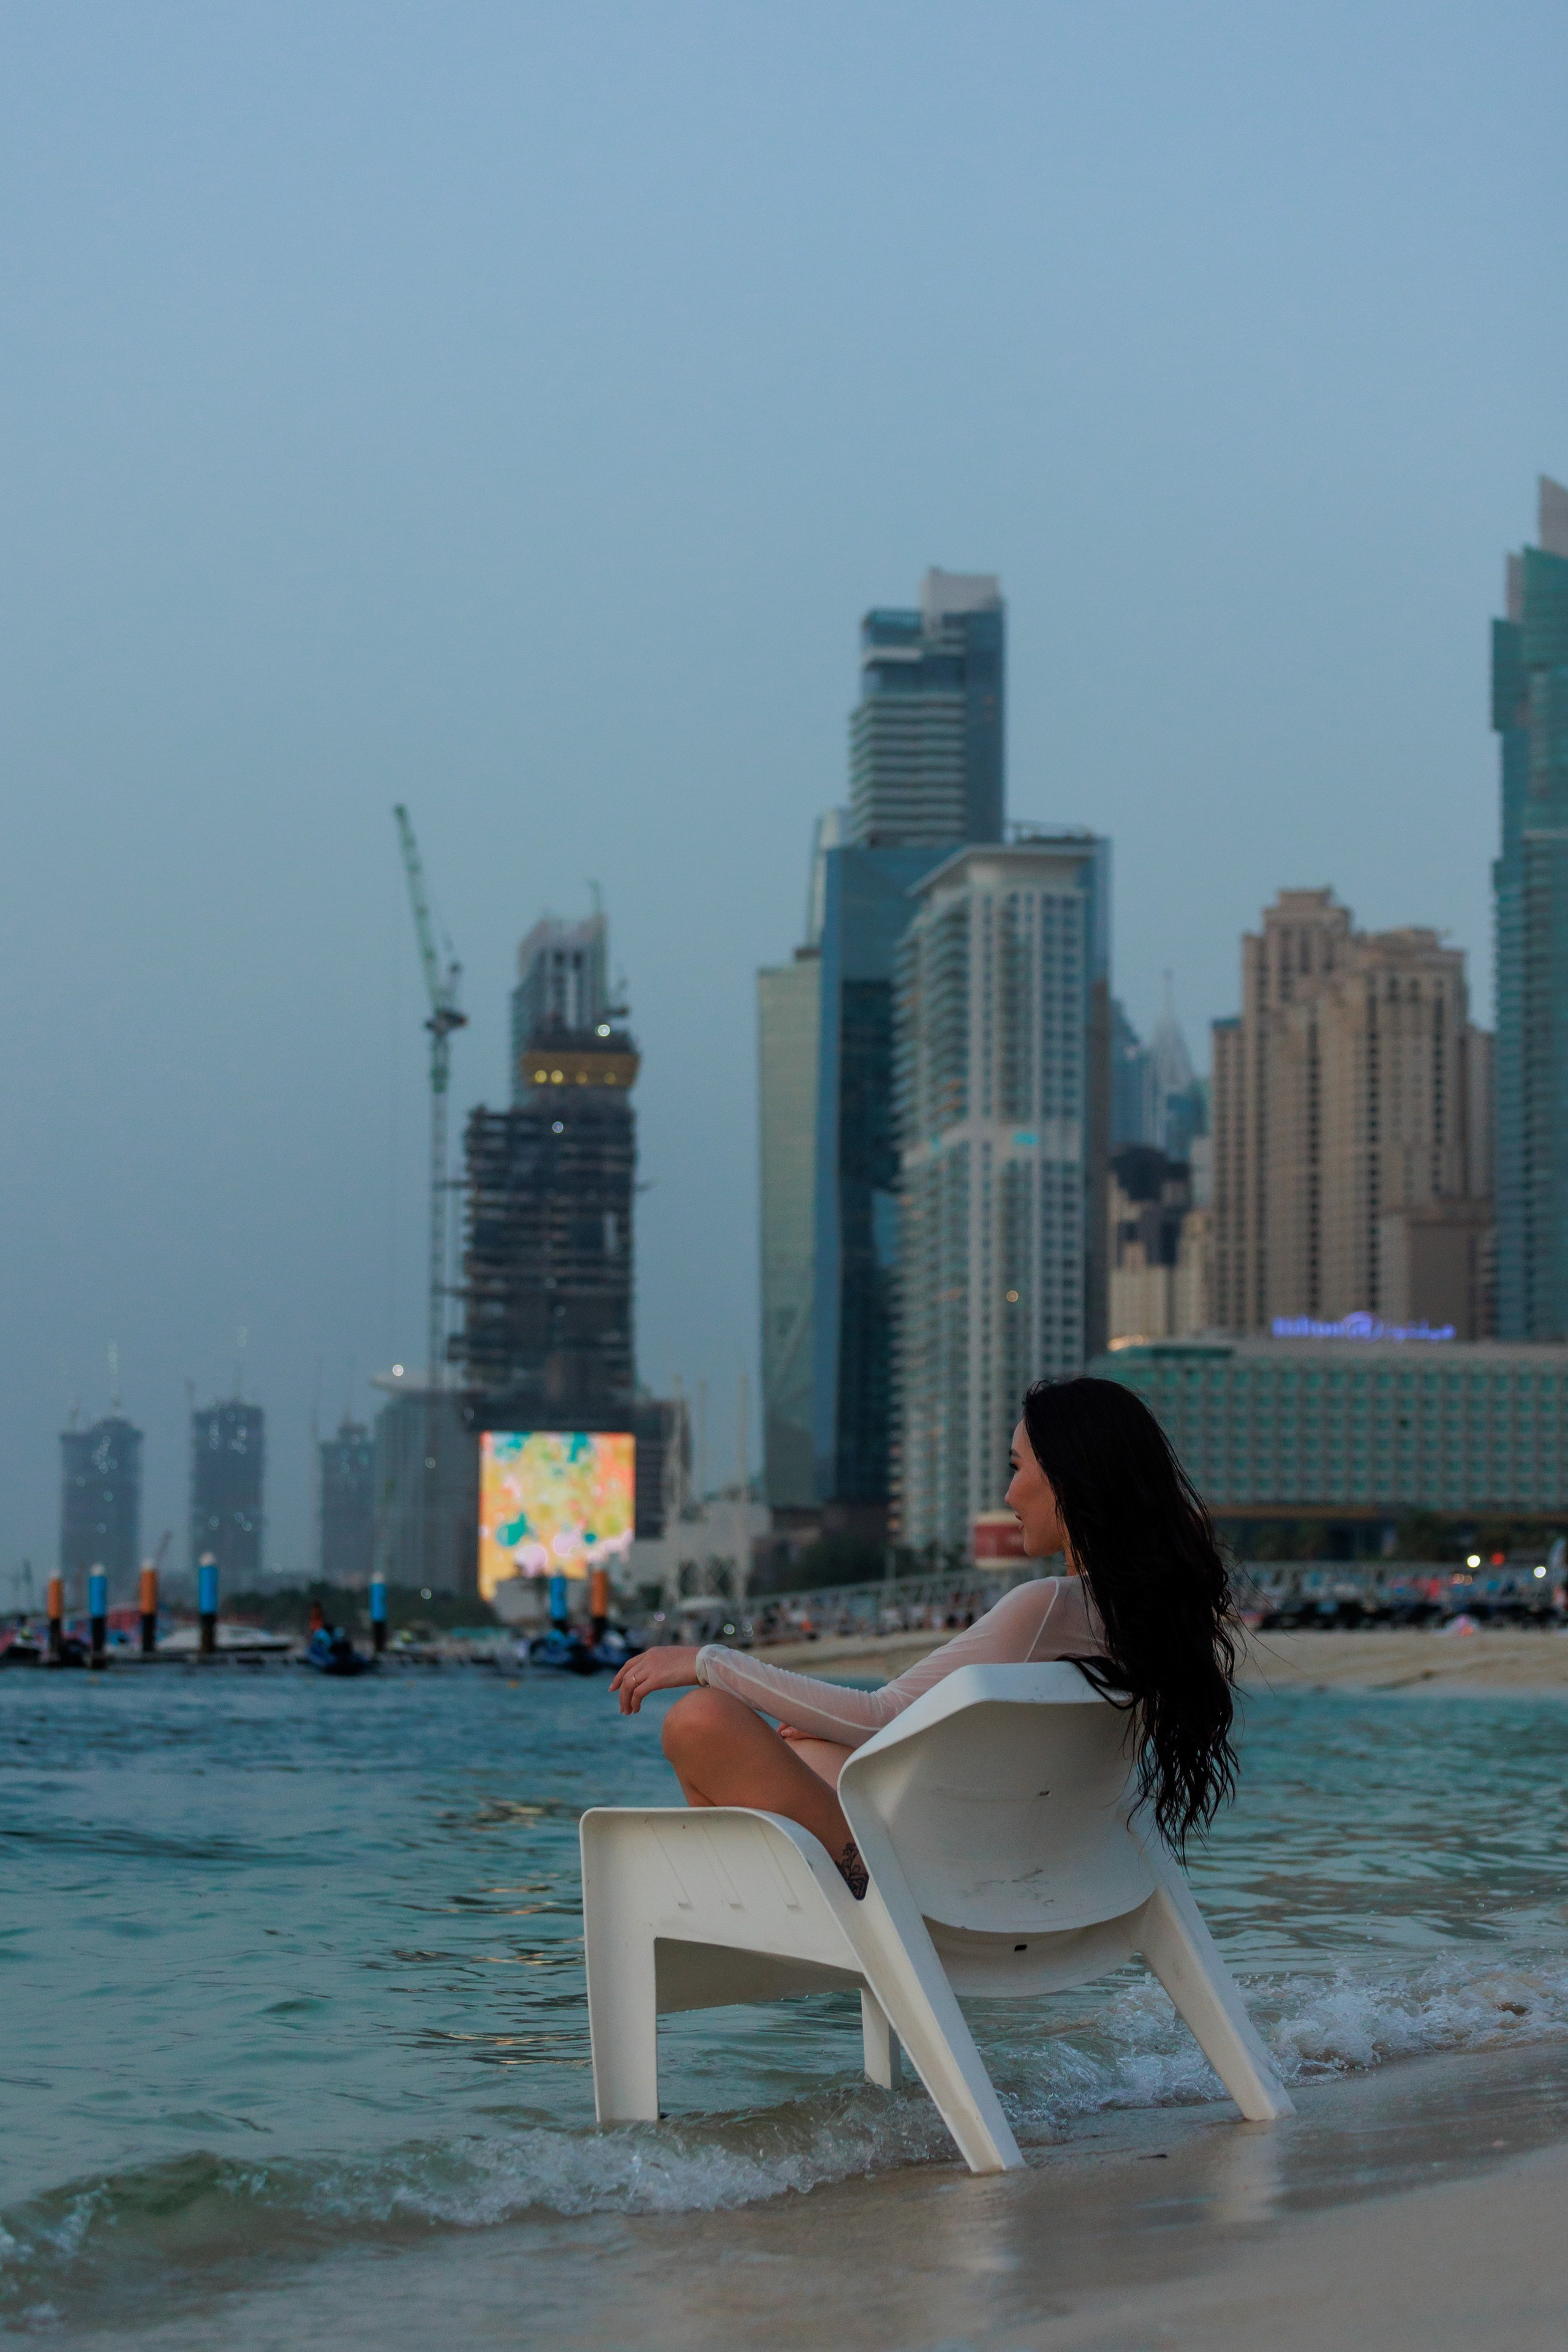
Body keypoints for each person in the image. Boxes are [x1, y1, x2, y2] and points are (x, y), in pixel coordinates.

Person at [609, 1375, 1241, 1898]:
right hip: (1014, 1865)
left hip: (922, 1883)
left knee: (701, 1722)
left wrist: (707, 1661)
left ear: (1070, 1478)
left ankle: (816, 1900)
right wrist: (829, 1730)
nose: (1008, 1491)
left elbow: (881, 1713)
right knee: (806, 1751)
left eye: (1018, 1467)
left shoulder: (1046, 1605)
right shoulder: (1136, 1619)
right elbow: (903, 1727)